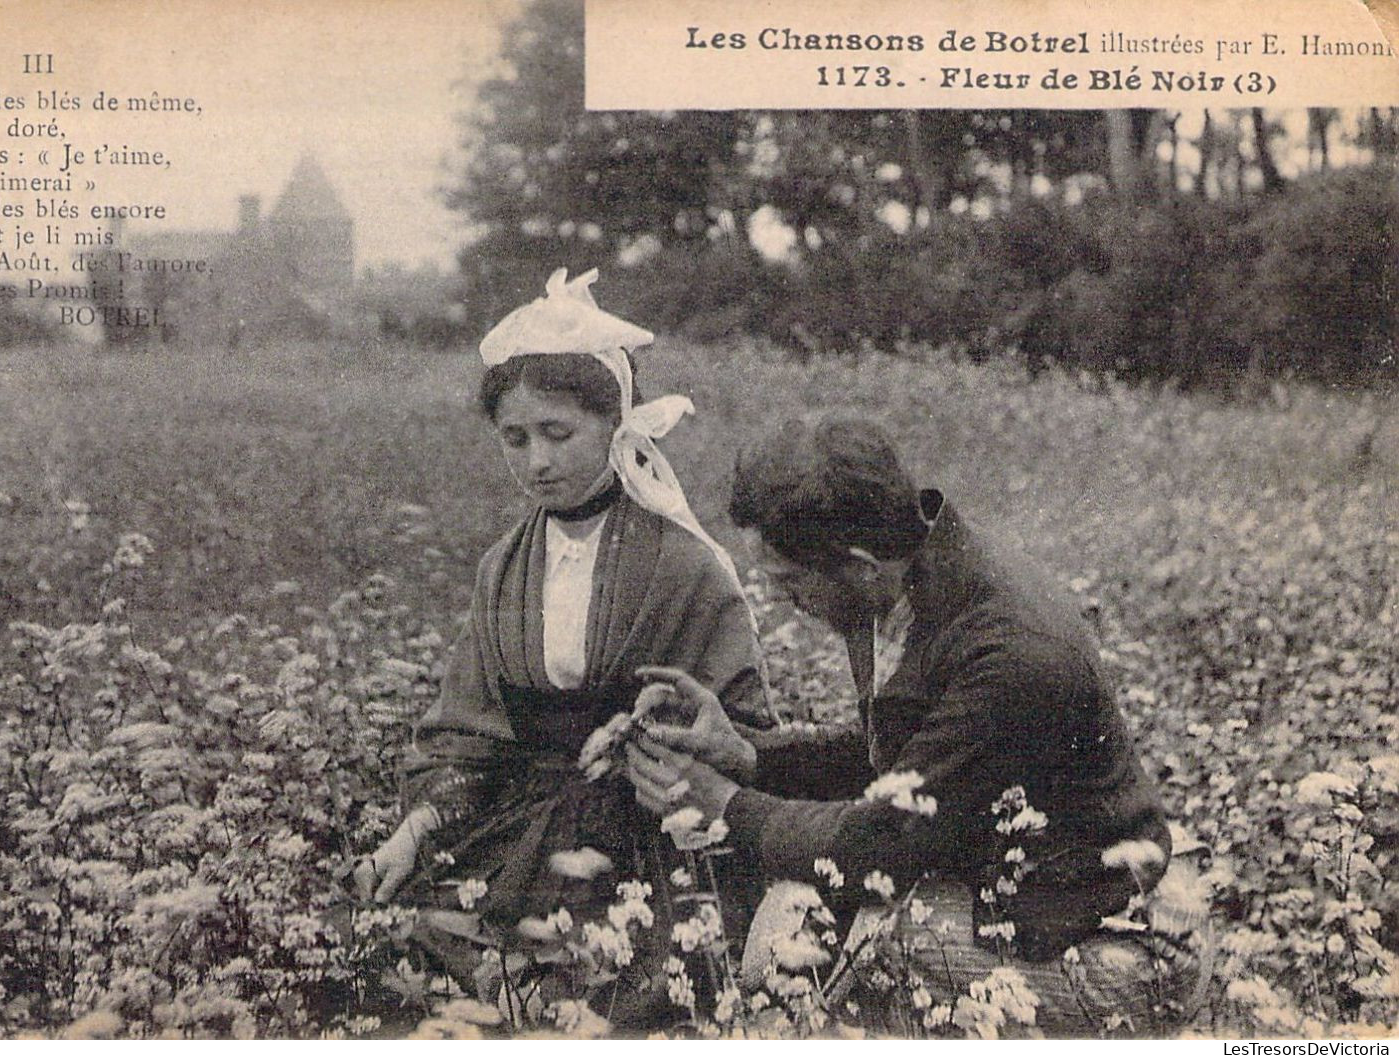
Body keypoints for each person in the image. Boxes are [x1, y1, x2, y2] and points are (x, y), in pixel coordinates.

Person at [625, 412, 1209, 1036]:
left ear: (857, 566)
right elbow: (909, 764)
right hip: (1022, 900)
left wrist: (725, 807)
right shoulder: (911, 580)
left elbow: (881, 842)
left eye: (792, 586)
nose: (785, 603)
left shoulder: (1009, 654)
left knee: (795, 965)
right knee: (795, 946)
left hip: (1116, 956)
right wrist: (751, 757)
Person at [356, 268, 769, 1022]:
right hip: (520, 828)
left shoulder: (683, 564)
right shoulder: (504, 567)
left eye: (557, 434)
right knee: (397, 951)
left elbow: (741, 733)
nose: (535, 461)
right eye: (514, 438)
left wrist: (676, 766)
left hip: (648, 843)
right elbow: (466, 736)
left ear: (616, 428)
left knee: (611, 997)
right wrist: (412, 831)